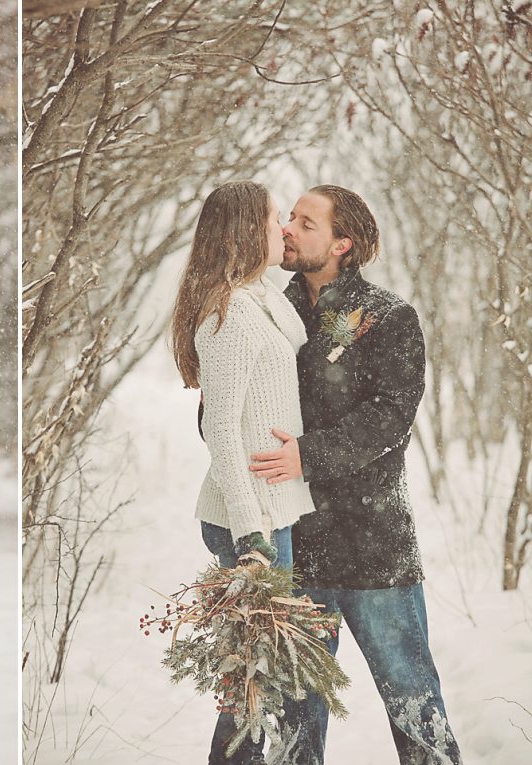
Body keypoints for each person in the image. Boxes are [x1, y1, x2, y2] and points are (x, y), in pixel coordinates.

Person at [248, 185, 463, 764]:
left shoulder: (389, 317)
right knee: (291, 718)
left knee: (414, 702)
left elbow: (390, 418)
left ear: (343, 243)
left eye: (306, 223)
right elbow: (232, 399)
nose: (289, 228)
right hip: (292, 544)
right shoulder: (264, 311)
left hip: (375, 546)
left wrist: (308, 455)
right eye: (288, 218)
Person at [171, 180, 316, 764]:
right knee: (258, 682)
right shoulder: (229, 315)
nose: (284, 230)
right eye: (276, 219)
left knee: (265, 675)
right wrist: (249, 534)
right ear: (244, 233)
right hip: (250, 518)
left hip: (272, 509)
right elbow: (222, 431)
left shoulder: (257, 297)